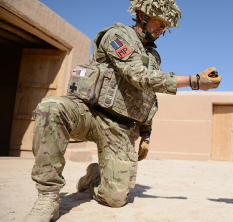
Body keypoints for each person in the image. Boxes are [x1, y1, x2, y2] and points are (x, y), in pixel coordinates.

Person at [22, 0, 221, 221]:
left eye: (165, 26)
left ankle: (94, 176)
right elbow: (137, 75)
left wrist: (146, 133)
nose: (161, 28)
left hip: (120, 128)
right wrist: (193, 82)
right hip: (89, 113)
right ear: (143, 15)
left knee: (115, 199)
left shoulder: (154, 57)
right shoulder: (117, 36)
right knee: (51, 107)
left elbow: (148, 96)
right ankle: (48, 197)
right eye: (159, 22)